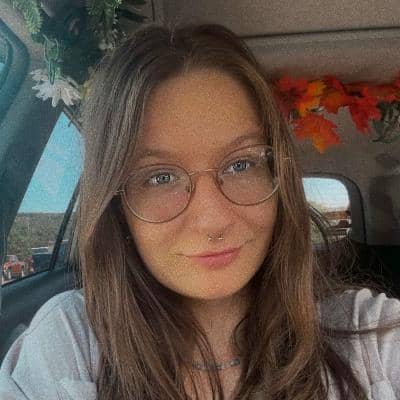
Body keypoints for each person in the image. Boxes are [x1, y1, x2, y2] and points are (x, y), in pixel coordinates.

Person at [1, 22, 400, 400]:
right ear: (116, 206)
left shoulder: (370, 337)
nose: (213, 219)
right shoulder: (69, 346)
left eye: (240, 165)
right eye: (160, 177)